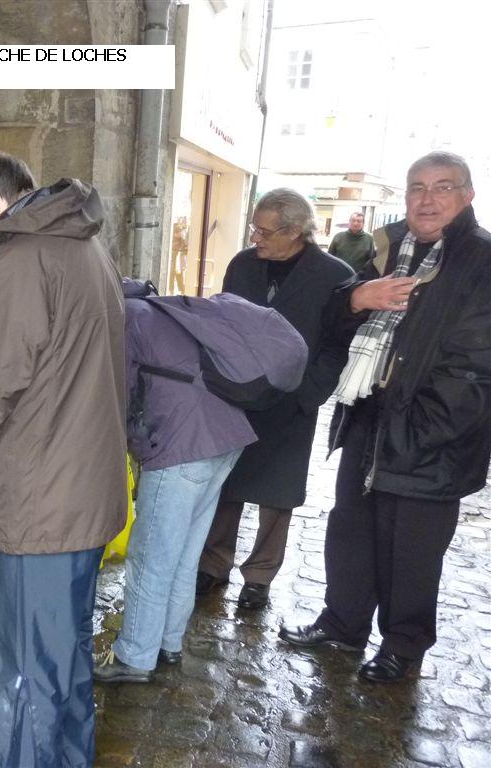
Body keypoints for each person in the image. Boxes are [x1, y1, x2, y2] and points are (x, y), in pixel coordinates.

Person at [0, 150, 128, 767]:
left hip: (39, 505)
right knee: (62, 660)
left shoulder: (21, 258)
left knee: (23, 673)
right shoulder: (85, 246)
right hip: (80, 486)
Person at [279, 151, 491, 682]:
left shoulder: (481, 260)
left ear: (467, 196)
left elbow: (477, 365)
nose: (426, 198)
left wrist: (425, 427)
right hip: (370, 415)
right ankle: (345, 624)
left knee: (413, 552)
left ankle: (404, 645)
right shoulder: (388, 246)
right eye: (416, 187)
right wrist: (357, 298)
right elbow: (334, 316)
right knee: (350, 530)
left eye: (442, 187)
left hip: (433, 434)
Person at [92, 279, 257, 684]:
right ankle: (168, 644)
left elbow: (120, 395)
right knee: (183, 552)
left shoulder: (124, 319)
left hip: (183, 445)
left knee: (151, 557)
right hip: (224, 436)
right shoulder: (161, 310)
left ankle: (134, 658)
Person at [196, 188, 355, 610]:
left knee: (278, 494)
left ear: (296, 232)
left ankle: (260, 577)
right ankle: (213, 565)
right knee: (225, 485)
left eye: (265, 232)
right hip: (238, 394)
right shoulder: (243, 265)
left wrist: (309, 394)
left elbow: (338, 345)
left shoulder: (334, 275)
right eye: (254, 229)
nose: (256, 239)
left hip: (293, 400)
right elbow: (222, 321)